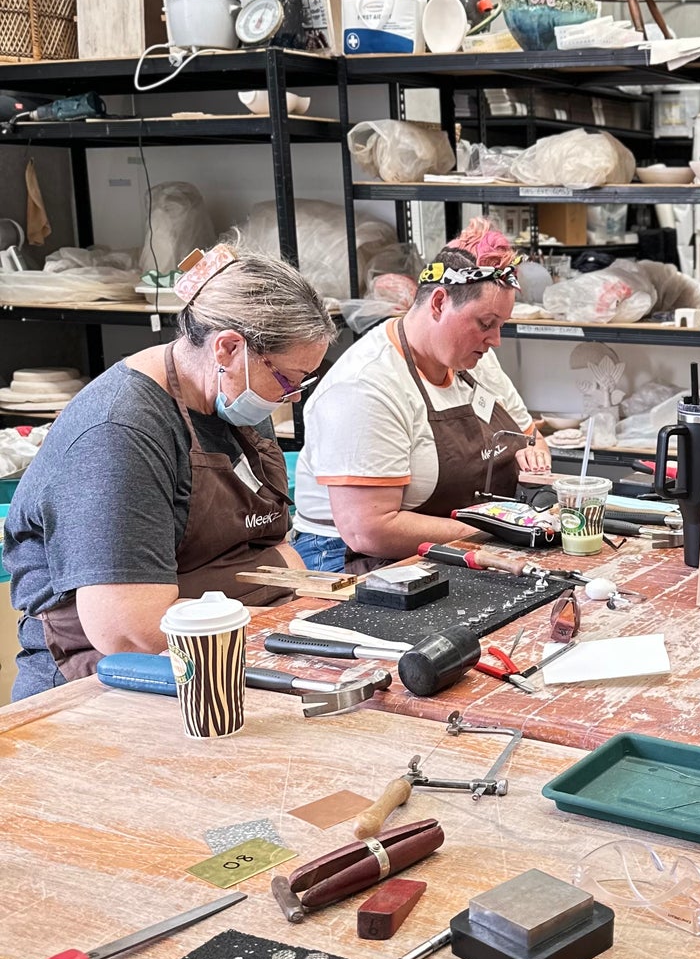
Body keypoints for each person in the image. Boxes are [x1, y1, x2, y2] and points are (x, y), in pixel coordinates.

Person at [3, 245, 333, 700]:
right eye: (289, 379)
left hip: (226, 653)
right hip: (111, 686)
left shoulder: (232, 398)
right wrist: (266, 624)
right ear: (229, 347)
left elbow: (278, 547)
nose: (293, 396)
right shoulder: (120, 432)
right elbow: (131, 631)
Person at [291, 222, 551, 568]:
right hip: (353, 556)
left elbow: (531, 438)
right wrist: (493, 532)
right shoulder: (366, 385)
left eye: (501, 325)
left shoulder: (472, 358)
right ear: (440, 303)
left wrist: (534, 460)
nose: (496, 340)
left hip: (455, 536)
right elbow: (370, 530)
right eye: (486, 323)